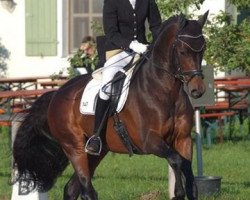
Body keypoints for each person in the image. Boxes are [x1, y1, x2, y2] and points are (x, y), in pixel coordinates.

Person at [85, 0, 162, 155]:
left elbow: (156, 26)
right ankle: (96, 136)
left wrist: (158, 44)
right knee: (106, 86)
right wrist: (132, 45)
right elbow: (111, 33)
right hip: (118, 52)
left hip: (143, 50)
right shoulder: (112, 2)